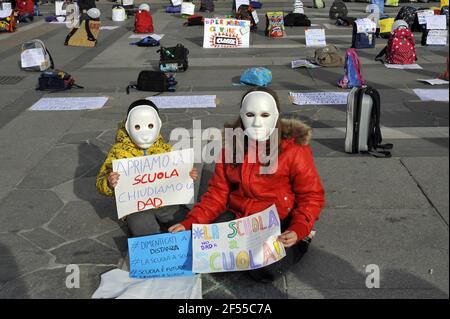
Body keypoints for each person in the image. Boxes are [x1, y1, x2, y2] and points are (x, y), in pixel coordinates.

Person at [169, 87, 325, 282]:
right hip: (240, 216)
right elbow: (217, 193)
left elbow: (311, 195)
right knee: (211, 256)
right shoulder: (231, 146)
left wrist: (298, 227)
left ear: (275, 116)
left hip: (278, 220)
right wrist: (190, 222)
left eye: (265, 114)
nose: (257, 122)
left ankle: (303, 241)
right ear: (242, 115)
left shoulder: (293, 150)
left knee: (264, 272)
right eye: (250, 114)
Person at [96, 99, 198, 237]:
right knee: (144, 229)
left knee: (186, 221)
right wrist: (109, 182)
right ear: (128, 126)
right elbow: (100, 181)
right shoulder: (118, 151)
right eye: (137, 127)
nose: (144, 134)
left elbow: (177, 174)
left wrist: (187, 175)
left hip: (166, 202)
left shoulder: (165, 148)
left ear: (158, 124)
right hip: (136, 208)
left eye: (150, 125)